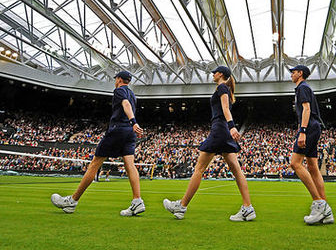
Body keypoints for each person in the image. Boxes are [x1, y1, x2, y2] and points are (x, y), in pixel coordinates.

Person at [163, 66, 255, 221]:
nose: (212, 74)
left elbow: (225, 108)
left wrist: (232, 127)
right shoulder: (224, 88)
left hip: (220, 129)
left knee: (199, 168)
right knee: (236, 170)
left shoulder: (221, 87)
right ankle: (248, 208)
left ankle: (181, 206)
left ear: (221, 74)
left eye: (215, 72)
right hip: (223, 129)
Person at [51, 71, 145, 216]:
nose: (115, 82)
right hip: (129, 133)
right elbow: (128, 105)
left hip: (118, 130)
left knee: (95, 163)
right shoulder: (133, 94)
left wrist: (133, 121)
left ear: (119, 79)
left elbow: (125, 104)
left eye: (116, 79)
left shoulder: (119, 90)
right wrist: (132, 125)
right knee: (130, 165)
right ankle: (137, 201)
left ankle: (72, 201)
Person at [288, 65, 333, 225]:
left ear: (300, 74)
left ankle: (319, 204)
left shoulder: (302, 88)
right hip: (313, 127)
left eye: (293, 72)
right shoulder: (303, 88)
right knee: (313, 166)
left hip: (309, 127)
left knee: (295, 163)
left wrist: (303, 131)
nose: (291, 75)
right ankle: (326, 209)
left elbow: (306, 109)